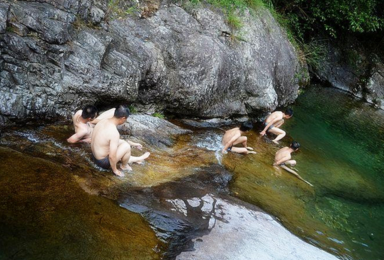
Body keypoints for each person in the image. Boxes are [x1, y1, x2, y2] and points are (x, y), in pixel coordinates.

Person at [91, 105, 150, 177]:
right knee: (126, 146)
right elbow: (112, 157)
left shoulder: (102, 121)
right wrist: (115, 170)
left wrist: (133, 144)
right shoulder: (113, 132)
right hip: (102, 163)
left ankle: (136, 159)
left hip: (94, 156)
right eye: (126, 119)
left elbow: (107, 140)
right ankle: (124, 166)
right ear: (123, 118)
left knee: (122, 143)